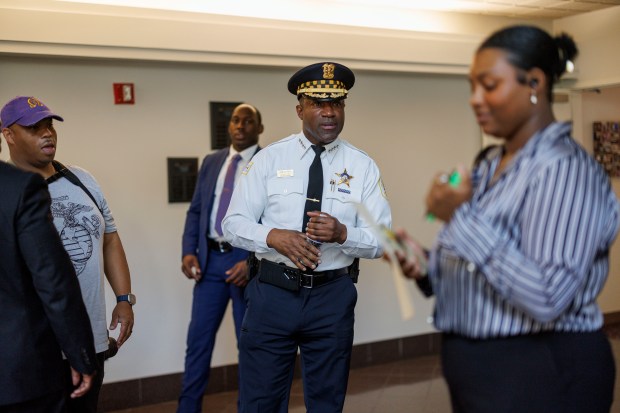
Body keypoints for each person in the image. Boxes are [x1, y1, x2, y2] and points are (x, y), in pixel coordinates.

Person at [394, 25, 619, 413]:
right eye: (472, 87)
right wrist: (428, 266)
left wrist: (459, 216)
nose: (475, 99)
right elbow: (492, 264)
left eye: (489, 85)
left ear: (534, 82)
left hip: (542, 369)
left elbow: (547, 297)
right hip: (482, 369)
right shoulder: (491, 163)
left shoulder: (563, 170)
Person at [223, 62, 392, 412]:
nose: (329, 112)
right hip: (272, 293)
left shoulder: (363, 167)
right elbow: (233, 223)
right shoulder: (270, 159)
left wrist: (343, 233)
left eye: (337, 103)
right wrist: (273, 236)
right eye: (318, 103)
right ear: (300, 109)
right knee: (260, 402)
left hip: (332, 298)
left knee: (327, 403)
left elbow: (384, 240)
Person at [0, 96, 135, 413]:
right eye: (34, 128)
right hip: (37, 348)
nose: (47, 133)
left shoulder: (82, 179)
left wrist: (124, 298)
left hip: (90, 337)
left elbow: (110, 239)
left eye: (49, 125)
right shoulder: (9, 193)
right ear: (8, 134)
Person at [0, 135, 98, 412]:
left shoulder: (80, 178)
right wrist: (81, 355)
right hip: (17, 373)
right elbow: (52, 280)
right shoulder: (18, 188)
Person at [178, 103, 263, 413]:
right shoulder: (212, 161)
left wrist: (252, 262)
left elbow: (275, 222)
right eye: (236, 120)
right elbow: (196, 210)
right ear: (229, 126)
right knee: (197, 344)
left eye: (248, 121)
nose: (240, 126)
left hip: (247, 266)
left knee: (250, 348)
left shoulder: (268, 162)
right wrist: (189, 250)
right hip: (210, 262)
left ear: (259, 128)